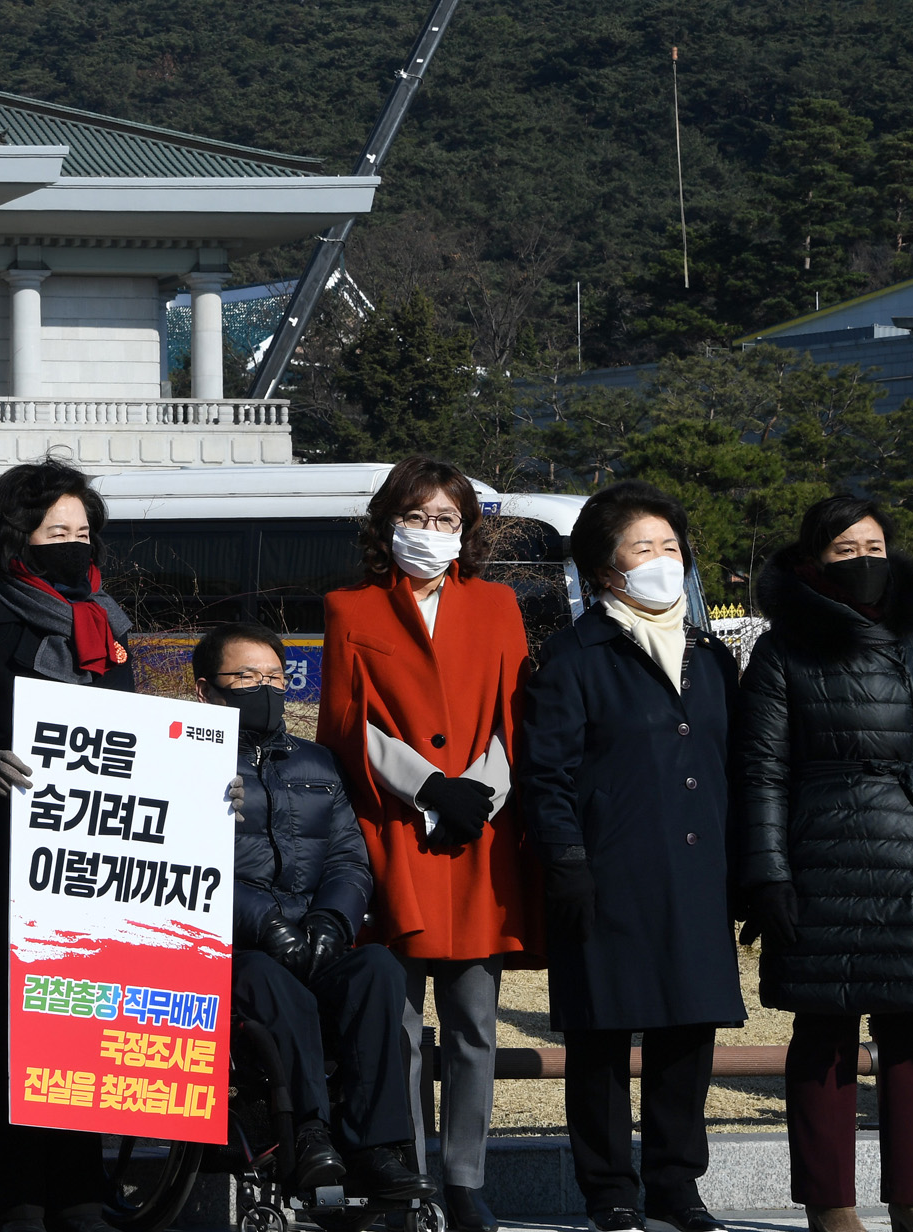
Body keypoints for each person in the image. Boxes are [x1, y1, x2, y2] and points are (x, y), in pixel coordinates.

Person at [737, 496, 913, 1232]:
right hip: (823, 852)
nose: (864, 560)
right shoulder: (781, 651)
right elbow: (760, 772)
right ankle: (831, 1206)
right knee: (825, 1033)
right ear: (812, 559)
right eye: (845, 549)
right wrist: (766, 874)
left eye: (874, 545)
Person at [315, 455, 540, 1232]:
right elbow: (347, 727)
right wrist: (426, 785)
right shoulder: (351, 608)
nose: (430, 533)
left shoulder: (500, 605)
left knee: (476, 1021)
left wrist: (480, 791)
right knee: (399, 1025)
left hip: (481, 834)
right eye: (416, 518)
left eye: (446, 520)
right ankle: (405, 1174)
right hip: (398, 832)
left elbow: (519, 714)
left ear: (467, 530)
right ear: (388, 523)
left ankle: (466, 1178)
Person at [519, 481, 747, 1232]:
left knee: (688, 1033)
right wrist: (567, 858)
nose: (661, 562)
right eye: (642, 548)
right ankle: (610, 1189)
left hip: (697, 872)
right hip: (608, 873)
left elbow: (736, 768)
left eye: (670, 547)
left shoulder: (712, 657)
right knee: (602, 1037)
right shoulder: (574, 657)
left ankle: (677, 1186)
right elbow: (544, 773)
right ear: (604, 568)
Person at [0, 459, 134, 1232]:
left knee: (86, 1024)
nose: (75, 547)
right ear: (17, 539)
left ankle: (83, 1188)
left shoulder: (111, 629)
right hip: (16, 864)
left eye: (84, 533)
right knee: (20, 1033)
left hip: (105, 867)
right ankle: (18, 1197)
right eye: (59, 533)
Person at [197, 621, 437, 1202]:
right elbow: (189, 865)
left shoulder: (320, 764)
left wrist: (332, 922)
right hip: (237, 945)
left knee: (377, 970)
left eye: (276, 676)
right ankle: (307, 1133)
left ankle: (377, 1145)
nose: (266, 687)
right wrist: (267, 925)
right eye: (247, 676)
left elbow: (350, 863)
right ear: (207, 688)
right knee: (274, 985)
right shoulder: (188, 763)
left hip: (314, 931)